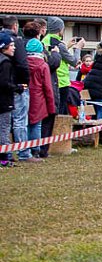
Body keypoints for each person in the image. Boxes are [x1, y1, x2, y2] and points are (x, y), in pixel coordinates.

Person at [22, 39, 54, 162]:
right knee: (36, 124)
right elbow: (47, 87)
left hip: (25, 94)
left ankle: (24, 148)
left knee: (24, 123)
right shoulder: (43, 66)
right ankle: (35, 149)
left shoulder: (23, 63)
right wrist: (51, 106)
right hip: (39, 97)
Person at [2, 16, 31, 152]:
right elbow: (22, 64)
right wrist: (23, 84)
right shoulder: (15, 43)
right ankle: (22, 152)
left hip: (8, 87)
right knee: (18, 121)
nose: (13, 48)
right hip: (15, 87)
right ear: (15, 26)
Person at [0, 32, 17, 166]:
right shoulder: (5, 62)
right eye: (11, 45)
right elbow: (4, 83)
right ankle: (5, 159)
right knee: (4, 129)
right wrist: (17, 87)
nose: (14, 48)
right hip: (4, 102)